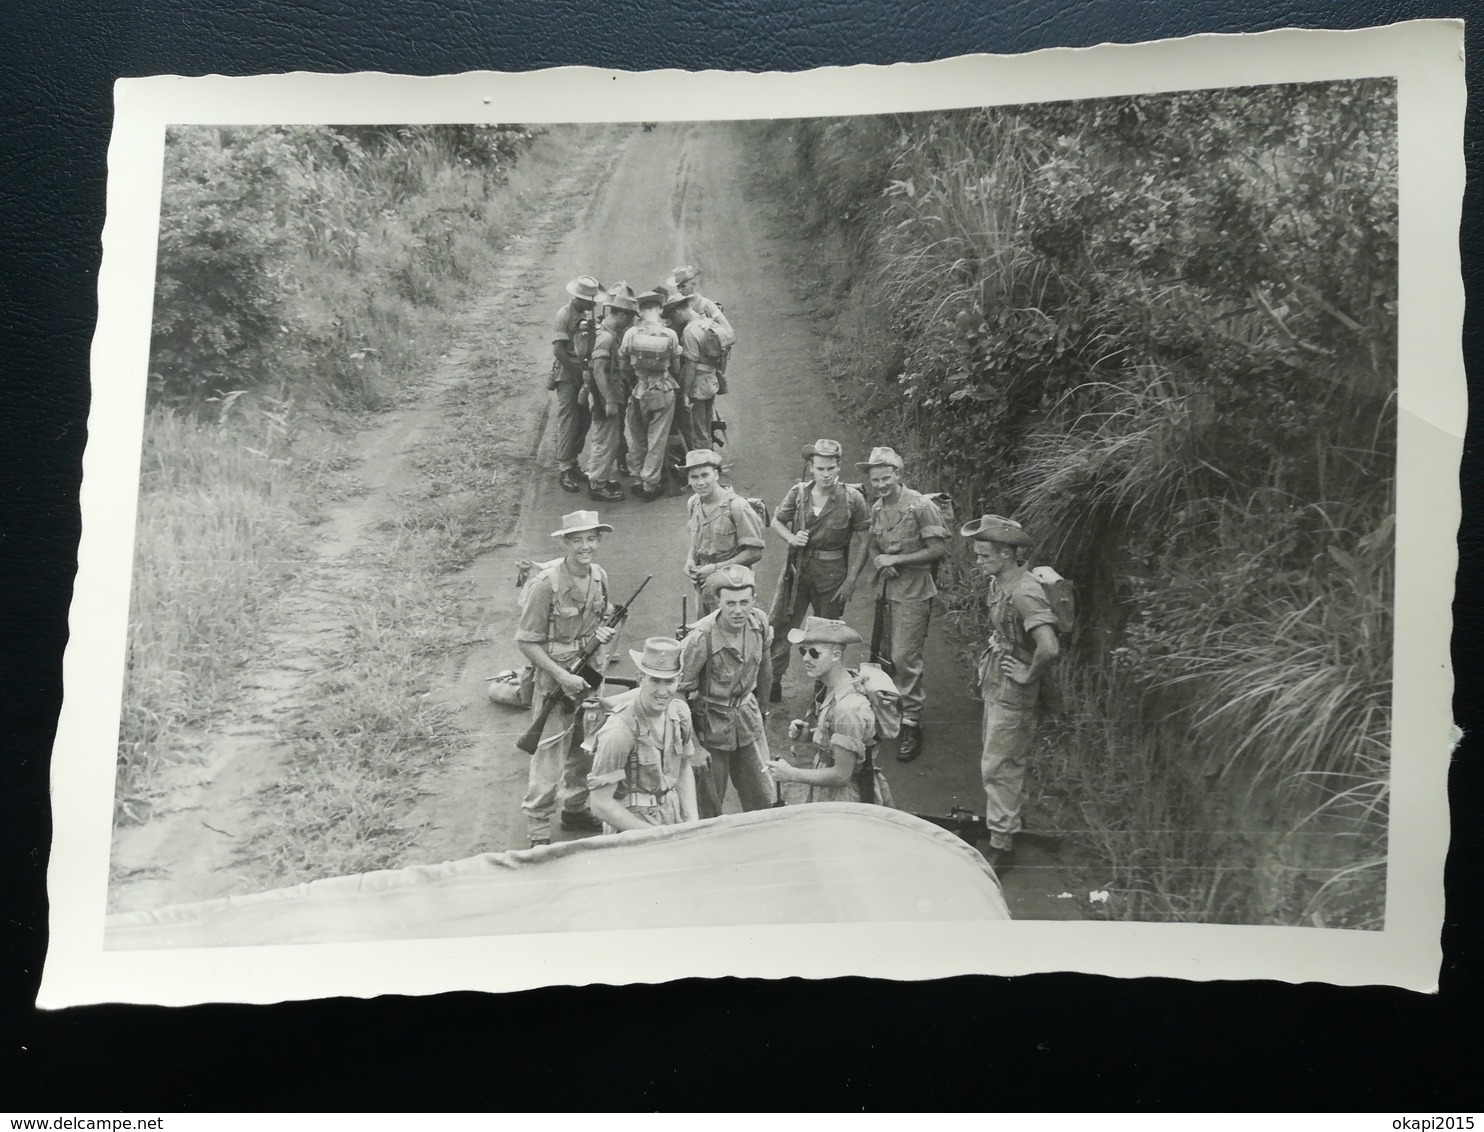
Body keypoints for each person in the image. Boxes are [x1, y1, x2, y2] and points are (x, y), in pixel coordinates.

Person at [515, 510, 619, 847]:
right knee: (549, 754)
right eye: (577, 540)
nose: (585, 546)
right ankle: (538, 831)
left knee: (586, 746)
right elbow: (526, 640)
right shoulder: (546, 585)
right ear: (566, 543)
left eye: (591, 539)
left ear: (599, 541)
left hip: (590, 676)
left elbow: (602, 615)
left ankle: (575, 810)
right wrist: (561, 675)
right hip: (556, 681)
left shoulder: (599, 576)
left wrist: (603, 631)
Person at [962, 514, 1060, 865]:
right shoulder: (1000, 581)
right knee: (1002, 757)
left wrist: (1027, 675)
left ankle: (1002, 842)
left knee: (998, 764)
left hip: (1013, 689)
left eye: (984, 556)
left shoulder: (1024, 591)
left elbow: (1048, 647)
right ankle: (1009, 819)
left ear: (1007, 554)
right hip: (997, 679)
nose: (978, 562)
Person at [858, 446, 948, 762]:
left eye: (886, 477)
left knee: (904, 656)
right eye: (875, 480)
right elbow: (871, 545)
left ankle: (911, 722)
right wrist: (881, 562)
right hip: (887, 591)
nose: (881, 485)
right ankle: (891, 712)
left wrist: (897, 558)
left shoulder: (921, 506)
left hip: (914, 591)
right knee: (885, 656)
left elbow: (937, 549)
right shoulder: (878, 507)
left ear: (898, 474)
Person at [767, 439, 872, 703]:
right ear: (811, 468)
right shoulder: (799, 493)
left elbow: (865, 539)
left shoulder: (852, 499)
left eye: (831, 468)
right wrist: (791, 539)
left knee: (827, 635)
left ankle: (823, 689)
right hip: (797, 572)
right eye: (820, 468)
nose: (826, 474)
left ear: (838, 467)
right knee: (781, 626)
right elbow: (776, 521)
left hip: (832, 577)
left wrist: (851, 580)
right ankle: (774, 679)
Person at [678, 564, 775, 818]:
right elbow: (678, 695)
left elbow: (765, 667)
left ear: (754, 600)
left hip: (748, 719)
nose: (738, 610)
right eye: (730, 603)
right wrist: (694, 747)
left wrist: (762, 712)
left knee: (765, 797)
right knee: (708, 805)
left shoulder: (759, 623)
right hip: (711, 726)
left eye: (745, 602)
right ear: (717, 602)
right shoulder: (701, 639)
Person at [586, 637, 703, 833]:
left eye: (670, 681)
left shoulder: (680, 714)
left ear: (679, 680)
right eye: (655, 680)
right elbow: (600, 803)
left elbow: (683, 767)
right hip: (629, 824)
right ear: (640, 678)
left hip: (671, 815)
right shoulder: (619, 732)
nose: (662, 691)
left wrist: (691, 818)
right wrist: (651, 835)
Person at [765, 617, 882, 804]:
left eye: (814, 653)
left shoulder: (848, 708)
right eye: (803, 651)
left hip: (845, 799)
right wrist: (810, 734)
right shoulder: (837, 686)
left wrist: (791, 774)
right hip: (828, 791)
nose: (805, 658)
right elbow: (835, 734)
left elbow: (841, 775)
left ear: (836, 655)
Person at [679, 449, 765, 612]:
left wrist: (715, 568)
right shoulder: (694, 503)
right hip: (703, 584)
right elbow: (696, 536)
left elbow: (755, 553)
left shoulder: (737, 506)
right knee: (704, 630)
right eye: (694, 477)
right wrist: (690, 559)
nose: (700, 483)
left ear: (716, 475)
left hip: (734, 589)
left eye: (705, 475)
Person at [619, 290, 683, 502]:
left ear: (640, 311)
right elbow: (675, 364)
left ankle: (637, 477)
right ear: (659, 310)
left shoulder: (631, 334)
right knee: (657, 438)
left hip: (639, 390)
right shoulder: (670, 335)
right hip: (663, 389)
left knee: (637, 437)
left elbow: (623, 363)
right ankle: (650, 483)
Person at [582, 288, 637, 503]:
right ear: (621, 314)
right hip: (605, 396)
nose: (630, 321)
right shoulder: (605, 338)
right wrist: (610, 400)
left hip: (607, 394)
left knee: (608, 439)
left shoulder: (606, 334)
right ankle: (597, 485)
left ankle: (600, 478)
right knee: (605, 441)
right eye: (629, 316)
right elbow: (598, 371)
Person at [551, 275, 603, 494]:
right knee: (568, 418)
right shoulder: (564, 315)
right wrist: (574, 373)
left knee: (584, 419)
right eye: (589, 300)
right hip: (568, 372)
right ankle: (564, 467)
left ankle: (573, 461)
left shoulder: (583, 316)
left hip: (583, 371)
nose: (593, 304)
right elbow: (558, 349)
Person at [662, 290, 726, 453]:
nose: (674, 321)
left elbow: (691, 365)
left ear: (677, 311)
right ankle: (710, 462)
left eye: (673, 316)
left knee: (697, 432)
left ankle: (703, 464)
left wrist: (685, 393)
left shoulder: (690, 331)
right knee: (706, 425)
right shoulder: (708, 323)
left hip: (697, 385)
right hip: (711, 380)